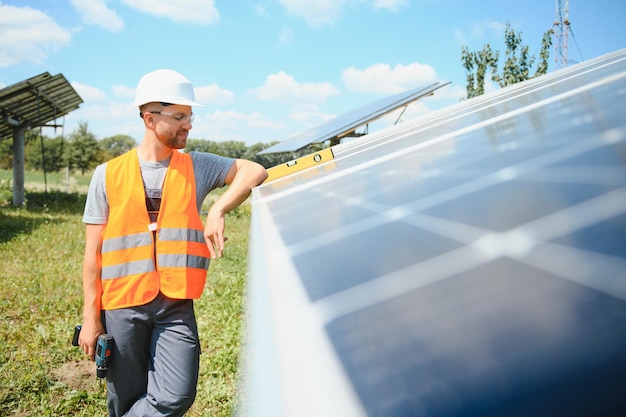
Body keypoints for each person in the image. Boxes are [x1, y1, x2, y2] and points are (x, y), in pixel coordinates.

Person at [78, 69, 268, 417]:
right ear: (150, 118)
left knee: (175, 396)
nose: (189, 125)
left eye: (190, 117)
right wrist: (92, 318)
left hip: (175, 307)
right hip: (122, 305)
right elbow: (93, 254)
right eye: (180, 116)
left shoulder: (197, 166)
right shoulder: (107, 174)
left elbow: (254, 170)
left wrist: (218, 208)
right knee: (124, 398)